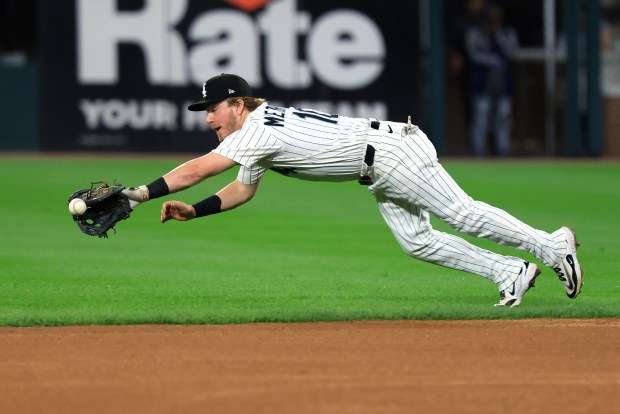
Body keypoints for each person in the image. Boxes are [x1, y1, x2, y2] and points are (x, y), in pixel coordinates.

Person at [123, 73, 583, 307]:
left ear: (238, 105)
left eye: (214, 108)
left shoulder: (255, 131)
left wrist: (139, 194)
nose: (208, 117)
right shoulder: (255, 134)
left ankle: (552, 245)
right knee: (417, 241)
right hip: (378, 164)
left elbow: (198, 169)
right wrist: (195, 212)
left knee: (460, 213)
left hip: (389, 151)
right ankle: (510, 273)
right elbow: (242, 191)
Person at [465, 2, 518, 156]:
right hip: (482, 83)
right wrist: (494, 61)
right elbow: (473, 54)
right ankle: (479, 151)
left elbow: (511, 52)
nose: (493, 20)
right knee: (481, 116)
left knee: (503, 116)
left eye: (497, 17)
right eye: (491, 17)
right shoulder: (476, 33)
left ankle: (502, 150)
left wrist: (498, 34)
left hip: (503, 83)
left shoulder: (507, 32)